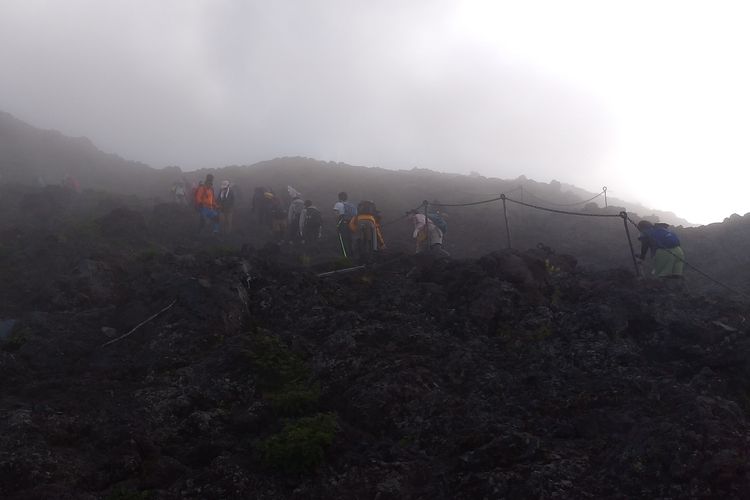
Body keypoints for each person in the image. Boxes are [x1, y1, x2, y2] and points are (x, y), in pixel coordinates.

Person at [333, 191, 357, 258]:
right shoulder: (352, 205)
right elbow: (355, 215)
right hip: (352, 224)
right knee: (350, 239)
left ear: (339, 198)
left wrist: (337, 224)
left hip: (343, 224)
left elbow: (336, 215)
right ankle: (352, 254)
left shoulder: (338, 204)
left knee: (343, 240)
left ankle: (345, 256)